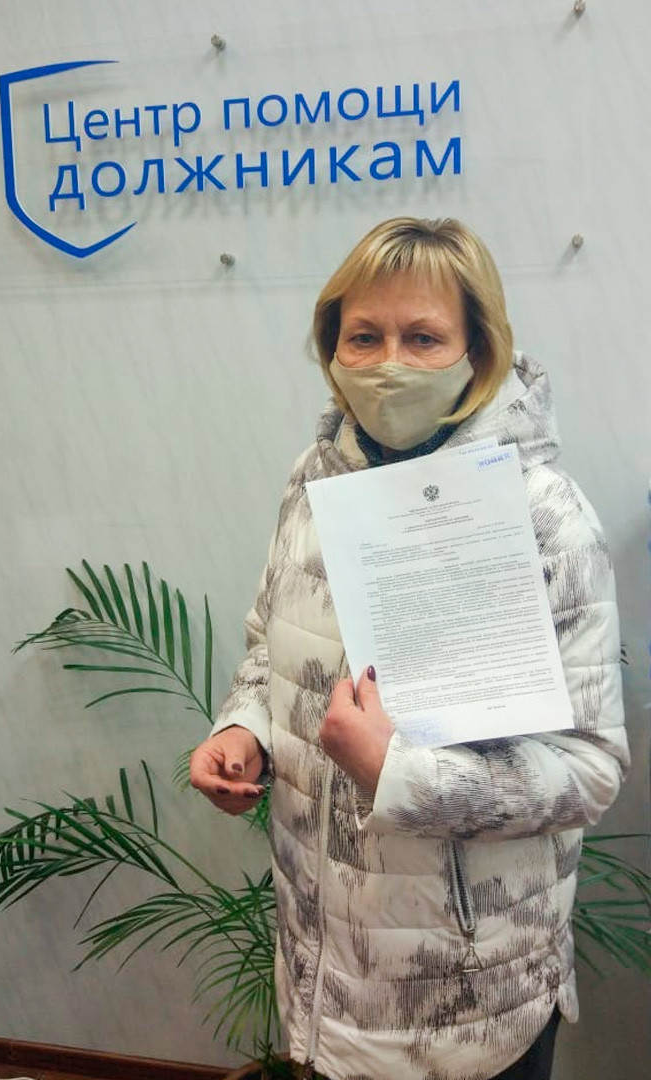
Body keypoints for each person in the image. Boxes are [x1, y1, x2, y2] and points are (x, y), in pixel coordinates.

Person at [189, 218, 628, 1080]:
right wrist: (244, 730)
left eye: (423, 337)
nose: (389, 363)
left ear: (478, 351)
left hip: (468, 1005)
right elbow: (268, 648)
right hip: (324, 978)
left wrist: (400, 775)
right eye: (365, 336)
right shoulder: (314, 481)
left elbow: (590, 767)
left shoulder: (543, 515)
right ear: (333, 349)